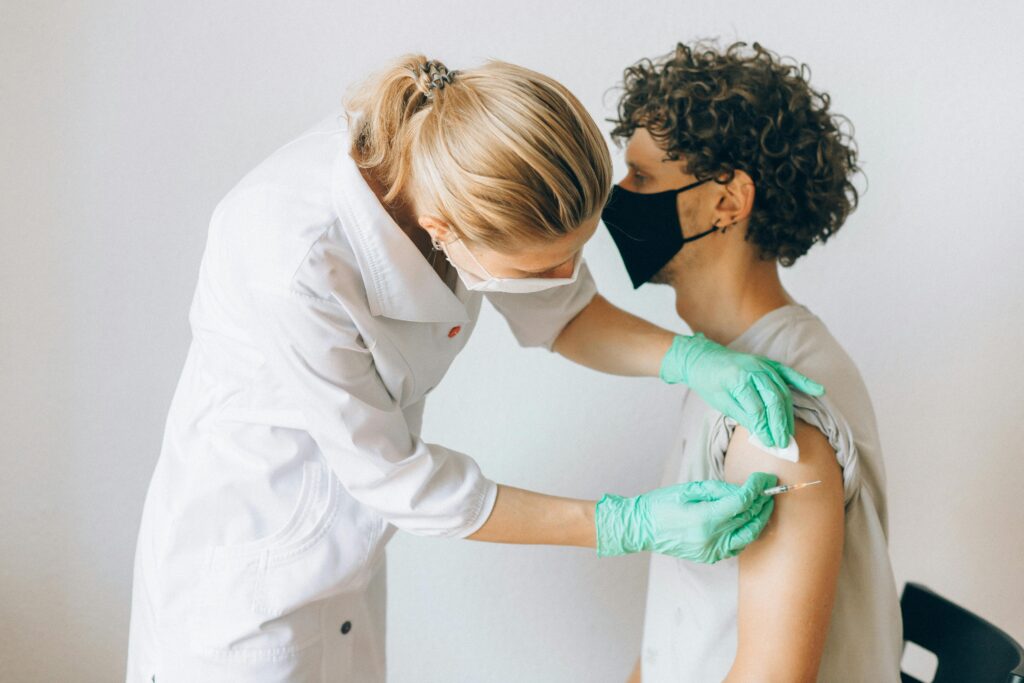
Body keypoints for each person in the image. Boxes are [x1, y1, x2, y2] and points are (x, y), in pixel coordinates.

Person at [125, 55, 821, 682]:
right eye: (544, 265)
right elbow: (401, 481)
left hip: (345, 575)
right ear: (446, 234)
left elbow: (564, 313)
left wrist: (691, 358)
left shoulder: (458, 155)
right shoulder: (294, 258)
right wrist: (623, 522)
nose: (565, 276)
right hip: (244, 597)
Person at [604, 42, 902, 682]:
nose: (617, 197)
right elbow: (681, 629)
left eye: (643, 177)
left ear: (727, 202)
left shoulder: (773, 419)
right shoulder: (724, 366)